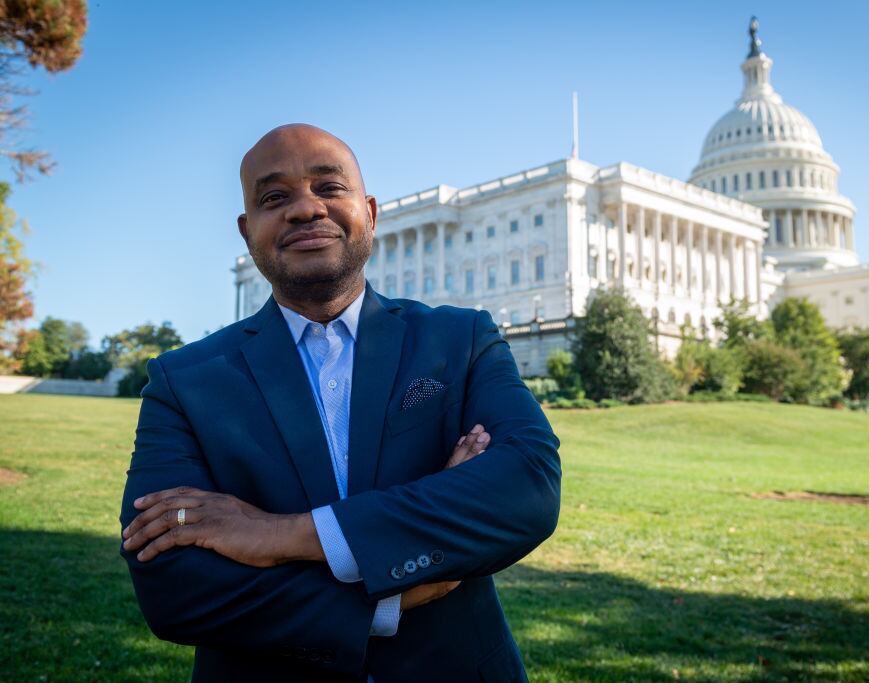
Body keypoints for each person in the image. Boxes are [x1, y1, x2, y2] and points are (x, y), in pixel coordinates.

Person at [118, 124, 562, 682]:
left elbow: (527, 489)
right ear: (246, 230)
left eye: (329, 187)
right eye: (274, 197)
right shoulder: (184, 379)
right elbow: (173, 585)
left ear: (370, 212)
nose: (306, 209)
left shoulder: (460, 341)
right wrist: (394, 598)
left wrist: (279, 535)